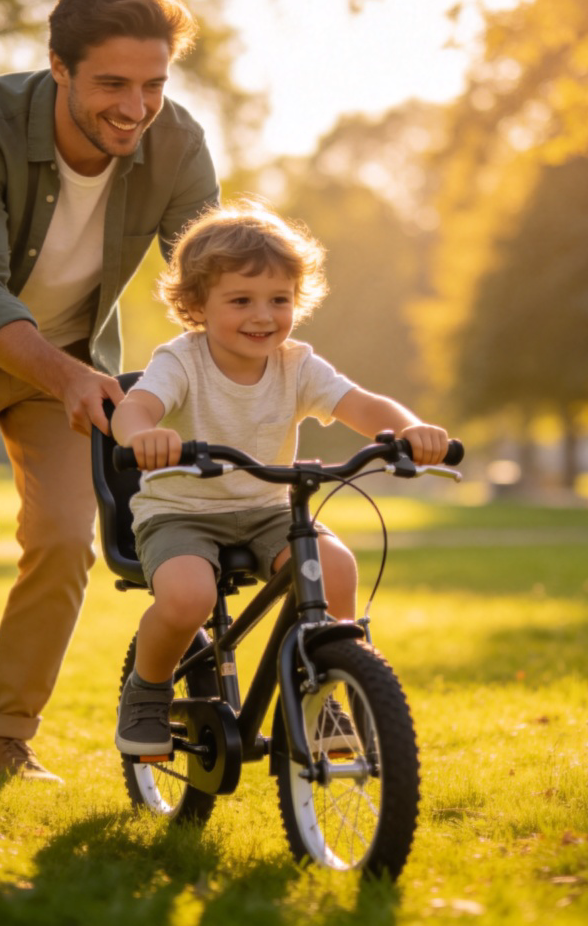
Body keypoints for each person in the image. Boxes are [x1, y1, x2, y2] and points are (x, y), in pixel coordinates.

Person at [0, 0, 220, 780]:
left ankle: (5, 737)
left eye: (153, 85)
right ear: (58, 67)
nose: (135, 108)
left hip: (72, 370)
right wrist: (63, 376)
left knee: (65, 542)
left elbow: (206, 275)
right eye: (111, 84)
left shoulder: (176, 143)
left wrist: (267, 352)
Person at [109, 199, 450, 756]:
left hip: (269, 510)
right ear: (196, 304)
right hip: (182, 513)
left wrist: (411, 431)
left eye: (279, 300)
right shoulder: (181, 360)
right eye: (240, 300)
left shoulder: (297, 364)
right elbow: (135, 406)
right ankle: (146, 690)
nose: (263, 316)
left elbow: (360, 404)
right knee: (188, 597)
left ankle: (326, 685)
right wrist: (142, 433)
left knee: (334, 566)